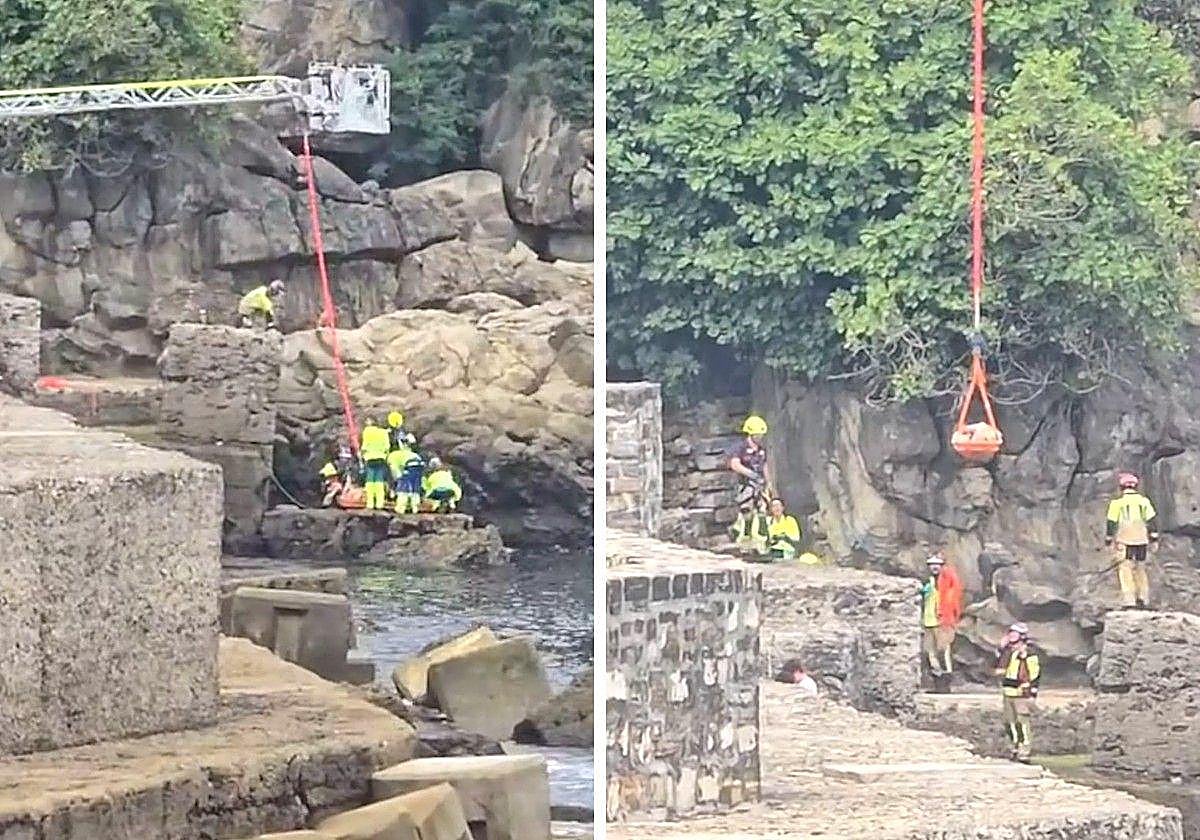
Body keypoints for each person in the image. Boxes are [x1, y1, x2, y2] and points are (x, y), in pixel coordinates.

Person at [1105, 472, 1158, 609]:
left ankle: (1129, 601)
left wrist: (1109, 539)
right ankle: (1143, 599)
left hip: (1124, 540)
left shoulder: (1117, 503)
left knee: (1125, 569)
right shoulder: (1144, 502)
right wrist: (1154, 537)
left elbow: (1112, 522)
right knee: (1140, 568)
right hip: (1141, 540)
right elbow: (1151, 520)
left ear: (1121, 487)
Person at [919, 554, 963, 693]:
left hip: (943, 621)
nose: (935, 567)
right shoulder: (927, 581)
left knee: (943, 651)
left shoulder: (948, 581)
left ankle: (946, 683)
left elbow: (952, 598)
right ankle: (938, 683)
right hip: (928, 621)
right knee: (929, 652)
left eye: (938, 564)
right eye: (932, 564)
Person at [728, 414, 771, 554]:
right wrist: (750, 474)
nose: (760, 436)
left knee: (762, 513)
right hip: (745, 485)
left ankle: (763, 545)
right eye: (758, 434)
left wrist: (768, 483)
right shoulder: (740, 447)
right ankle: (744, 542)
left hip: (759, 486)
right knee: (747, 514)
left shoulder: (761, 449)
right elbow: (735, 464)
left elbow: (764, 465)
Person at [999, 623, 1041, 762]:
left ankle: (1025, 750)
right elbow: (998, 666)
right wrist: (1001, 648)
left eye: (1014, 633)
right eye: (1010, 632)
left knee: (1022, 722)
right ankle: (1015, 746)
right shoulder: (1007, 652)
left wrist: (1032, 695)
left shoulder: (1029, 654)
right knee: (1009, 722)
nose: (1011, 635)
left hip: (1021, 693)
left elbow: (1034, 675)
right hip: (1008, 691)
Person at [359, 416, 391, 510]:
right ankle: (379, 503)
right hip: (381, 458)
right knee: (379, 481)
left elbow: (365, 445)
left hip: (370, 458)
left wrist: (361, 453)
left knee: (370, 481)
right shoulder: (384, 432)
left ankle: (370, 503)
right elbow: (387, 447)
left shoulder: (367, 431)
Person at [388, 434, 425, 514]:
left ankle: (400, 508)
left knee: (403, 489)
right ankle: (415, 507)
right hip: (418, 467)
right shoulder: (416, 455)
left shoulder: (394, 455)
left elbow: (394, 469)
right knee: (415, 488)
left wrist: (398, 478)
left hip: (408, 468)